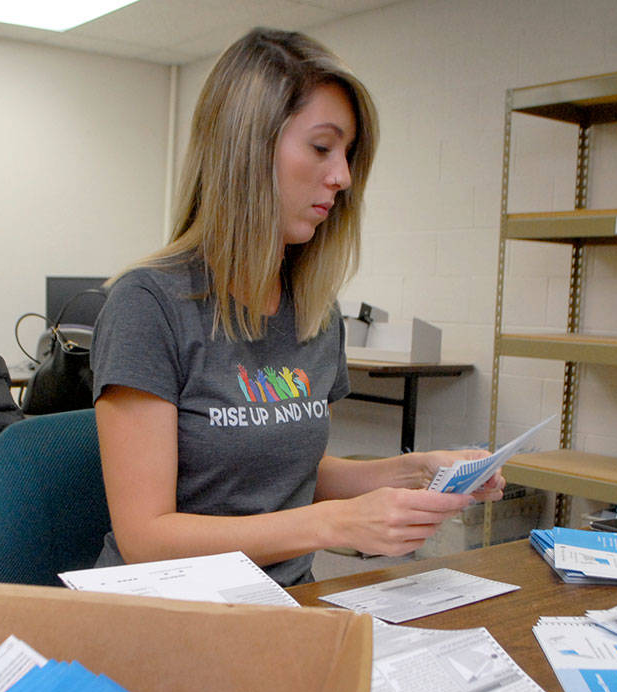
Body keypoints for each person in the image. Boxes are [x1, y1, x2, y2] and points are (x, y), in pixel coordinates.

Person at [89, 27, 504, 586]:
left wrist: (417, 471)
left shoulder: (314, 311)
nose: (343, 177)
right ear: (248, 147)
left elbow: (298, 470)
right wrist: (333, 525)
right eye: (321, 147)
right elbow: (146, 537)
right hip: (172, 610)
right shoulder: (148, 305)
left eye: (348, 153)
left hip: (286, 601)